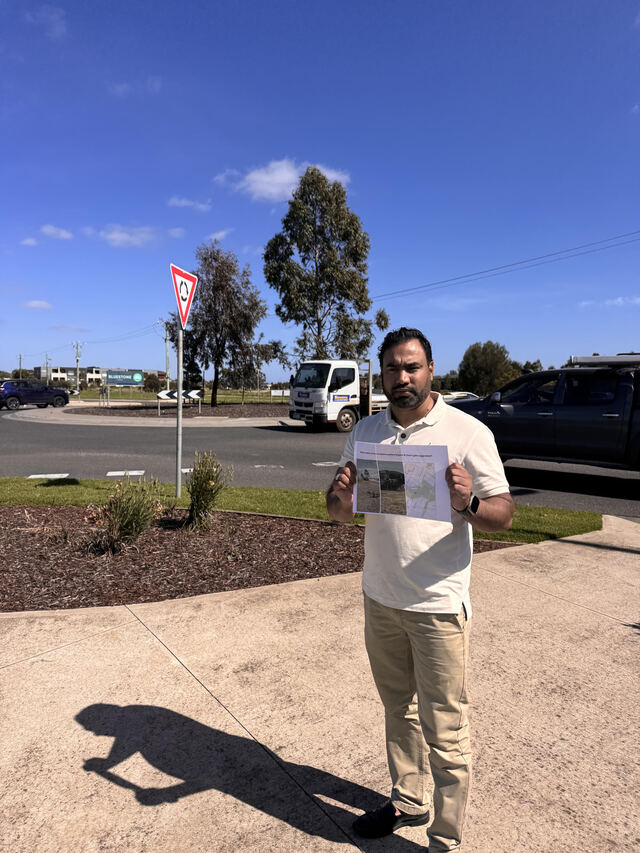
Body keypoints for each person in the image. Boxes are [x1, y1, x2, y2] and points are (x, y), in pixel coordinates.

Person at [326, 327, 513, 851]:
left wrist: (469, 503)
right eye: (392, 369)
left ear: (431, 370)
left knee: (446, 730)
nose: (402, 378)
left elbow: (504, 515)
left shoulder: (468, 432)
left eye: (412, 367)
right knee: (398, 711)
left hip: (437, 605)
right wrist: (340, 497)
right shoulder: (365, 432)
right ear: (381, 374)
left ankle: (445, 839)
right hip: (380, 597)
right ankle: (409, 802)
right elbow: (338, 513)